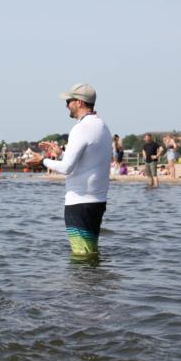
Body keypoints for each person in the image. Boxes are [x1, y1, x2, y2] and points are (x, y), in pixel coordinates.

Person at [27, 83, 112, 257]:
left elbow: (66, 168)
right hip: (97, 201)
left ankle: (82, 285)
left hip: (79, 202)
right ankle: (94, 283)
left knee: (82, 256)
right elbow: (88, 160)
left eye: (69, 101)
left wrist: (43, 160)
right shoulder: (102, 126)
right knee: (90, 252)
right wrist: (60, 153)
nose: (66, 105)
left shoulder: (81, 128)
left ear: (79, 102)